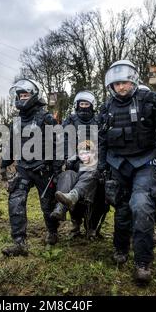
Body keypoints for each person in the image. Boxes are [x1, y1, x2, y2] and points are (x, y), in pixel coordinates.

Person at [98, 60, 156, 284]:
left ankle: (143, 262)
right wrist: (100, 167)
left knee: (141, 205)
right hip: (118, 165)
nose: (121, 87)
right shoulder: (106, 108)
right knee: (122, 207)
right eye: (117, 84)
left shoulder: (150, 100)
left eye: (125, 82)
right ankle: (120, 248)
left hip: (146, 163)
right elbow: (100, 140)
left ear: (133, 80)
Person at [0, 78, 63, 257]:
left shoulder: (47, 118)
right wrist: (4, 165)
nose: (22, 98)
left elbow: (59, 145)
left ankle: (52, 232)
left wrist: (57, 171)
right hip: (23, 168)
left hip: (44, 170)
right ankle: (19, 242)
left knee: (47, 206)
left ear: (34, 96)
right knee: (15, 201)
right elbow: (11, 145)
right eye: (19, 95)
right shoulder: (17, 121)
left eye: (25, 95)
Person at [50, 90, 109, 239]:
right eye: (81, 104)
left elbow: (104, 142)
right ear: (77, 105)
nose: (83, 107)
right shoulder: (69, 121)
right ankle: (65, 210)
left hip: (94, 164)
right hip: (74, 161)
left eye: (86, 104)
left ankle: (92, 227)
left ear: (92, 106)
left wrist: (99, 159)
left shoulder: (98, 121)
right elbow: (62, 140)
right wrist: (67, 157)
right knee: (67, 176)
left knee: (97, 190)